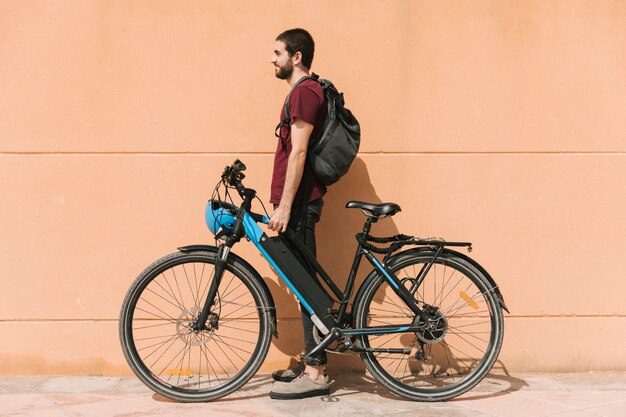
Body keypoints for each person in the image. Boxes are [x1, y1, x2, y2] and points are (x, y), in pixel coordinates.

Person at [267, 28, 330, 400]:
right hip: (297, 204)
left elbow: (300, 152)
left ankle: (317, 371)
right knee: (302, 285)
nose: (271, 59)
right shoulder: (300, 93)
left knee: (307, 289)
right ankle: (312, 360)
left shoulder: (305, 92)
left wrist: (286, 206)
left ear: (297, 57)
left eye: (277, 53)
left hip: (301, 206)